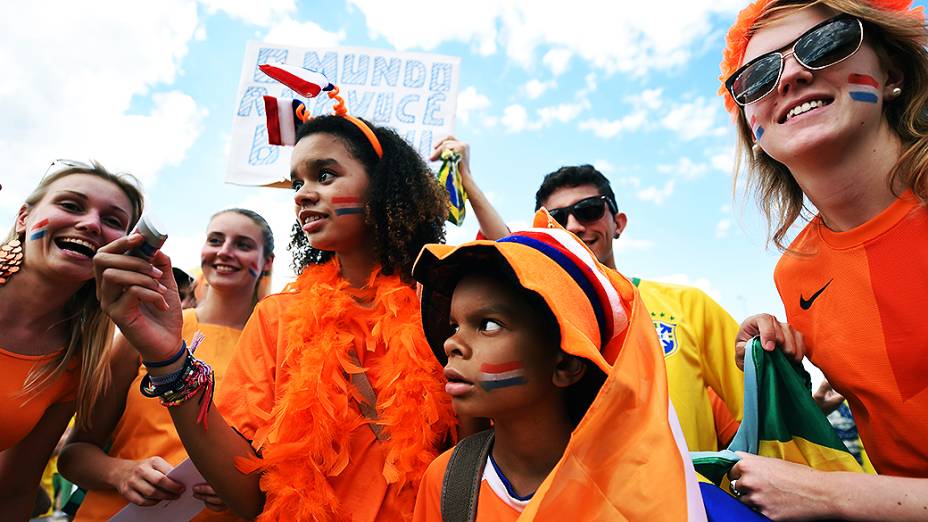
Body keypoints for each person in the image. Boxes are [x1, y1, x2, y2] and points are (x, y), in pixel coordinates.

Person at [92, 108, 458, 519]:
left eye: (324, 175)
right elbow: (246, 491)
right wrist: (166, 361)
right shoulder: (277, 317)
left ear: (383, 185)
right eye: (297, 182)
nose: (301, 193)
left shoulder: (449, 304)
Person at [719, 0, 928, 518]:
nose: (790, 74)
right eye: (758, 75)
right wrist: (773, 364)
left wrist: (827, 493)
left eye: (825, 42)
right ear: (753, 129)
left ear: (891, 73)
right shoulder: (796, 272)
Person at [433, 139, 744, 453]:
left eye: (589, 210)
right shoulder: (540, 325)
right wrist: (467, 183)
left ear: (618, 223)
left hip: (685, 499)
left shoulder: (689, 306)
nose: (573, 226)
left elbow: (761, 419)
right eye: (556, 218)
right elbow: (515, 259)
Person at [412, 211, 706, 520]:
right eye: (454, 326)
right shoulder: (447, 482)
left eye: (488, 324)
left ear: (565, 364)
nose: (451, 343)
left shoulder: (633, 493)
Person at [60, 208, 275, 520]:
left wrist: (245, 485)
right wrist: (120, 472)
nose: (225, 252)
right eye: (215, 240)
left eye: (243, 245)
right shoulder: (149, 330)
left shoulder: (277, 347)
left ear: (267, 262)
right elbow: (73, 455)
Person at [0, 160, 144, 519]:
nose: (91, 224)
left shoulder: (74, 364)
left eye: (112, 221)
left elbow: (13, 493)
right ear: (23, 219)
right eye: (71, 205)